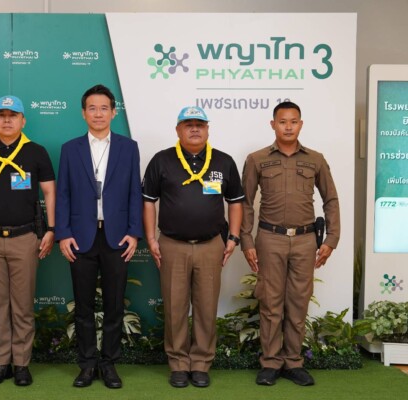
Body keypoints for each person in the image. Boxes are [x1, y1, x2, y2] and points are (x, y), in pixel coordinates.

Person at [142, 106, 244, 388]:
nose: (195, 129)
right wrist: (151, 238)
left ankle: (200, 363)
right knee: (175, 307)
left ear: (208, 129)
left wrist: (233, 237)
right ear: (178, 130)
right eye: (188, 124)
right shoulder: (162, 160)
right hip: (172, 245)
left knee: (206, 307)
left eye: (200, 124)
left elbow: (236, 202)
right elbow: (148, 201)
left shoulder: (223, 161)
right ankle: (178, 363)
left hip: (211, 245)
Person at [240, 101, 340, 387]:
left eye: (293, 121)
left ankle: (294, 362)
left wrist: (332, 239)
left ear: (301, 124)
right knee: (271, 304)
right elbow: (245, 203)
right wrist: (246, 240)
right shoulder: (257, 159)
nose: (288, 127)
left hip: (306, 241)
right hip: (270, 239)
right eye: (282, 121)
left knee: (298, 303)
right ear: (273, 125)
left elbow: (331, 199)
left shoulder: (315, 159)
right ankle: (271, 363)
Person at [0, 95, 56, 387]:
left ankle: (21, 365)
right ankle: (0, 363)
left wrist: (51, 229)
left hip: (25, 237)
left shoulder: (36, 152)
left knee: (22, 306)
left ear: (23, 120)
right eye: (1, 115)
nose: (7, 120)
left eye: (13, 115)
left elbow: (50, 192)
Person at [55, 84, 142, 389]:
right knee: (83, 306)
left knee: (115, 305)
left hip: (117, 238)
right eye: (92, 108)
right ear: (83, 113)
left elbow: (135, 193)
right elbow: (63, 194)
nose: (98, 113)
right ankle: (87, 364)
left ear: (114, 112)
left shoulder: (128, 148)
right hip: (81, 238)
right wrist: (63, 234)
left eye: (104, 108)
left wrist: (134, 233)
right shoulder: (70, 149)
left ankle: (109, 364)